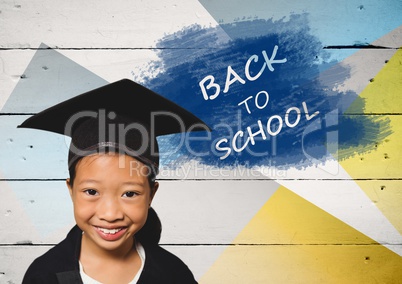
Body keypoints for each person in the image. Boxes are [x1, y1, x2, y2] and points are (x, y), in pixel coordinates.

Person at [20, 79, 209, 284]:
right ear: (71, 189)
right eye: (92, 192)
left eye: (129, 193)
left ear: (151, 194)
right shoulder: (44, 275)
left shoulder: (173, 275)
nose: (110, 215)